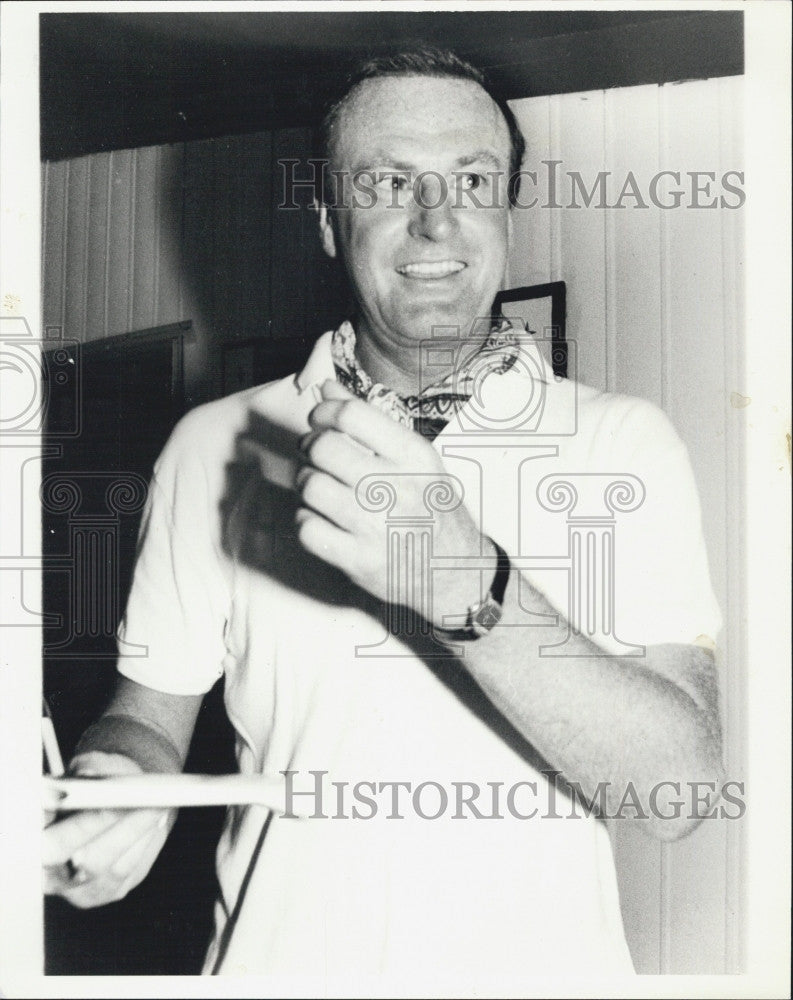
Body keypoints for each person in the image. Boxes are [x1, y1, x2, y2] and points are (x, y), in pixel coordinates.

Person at [44, 47, 724, 985]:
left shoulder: (624, 443)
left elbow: (678, 792)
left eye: (471, 178)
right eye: (388, 179)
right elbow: (148, 715)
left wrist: (465, 587)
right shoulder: (213, 445)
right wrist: (115, 783)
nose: (435, 217)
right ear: (328, 220)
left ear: (508, 210)